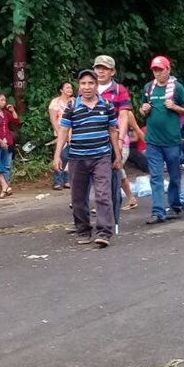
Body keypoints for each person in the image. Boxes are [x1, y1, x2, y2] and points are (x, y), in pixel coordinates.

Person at [53, 69, 122, 247]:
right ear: (79, 86)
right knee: (78, 197)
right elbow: (63, 131)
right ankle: (83, 230)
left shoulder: (106, 106)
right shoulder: (72, 107)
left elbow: (113, 131)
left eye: (91, 83)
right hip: (77, 158)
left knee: (102, 195)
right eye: (83, 83)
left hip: (102, 157)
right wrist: (58, 155)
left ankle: (104, 232)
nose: (87, 87)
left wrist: (118, 155)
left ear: (96, 85)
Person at [141, 55, 184, 224]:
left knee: (174, 176)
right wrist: (144, 110)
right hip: (153, 141)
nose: (157, 73)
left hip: (172, 140)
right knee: (155, 177)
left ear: (168, 70)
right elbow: (143, 109)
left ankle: (175, 205)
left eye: (160, 70)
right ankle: (158, 212)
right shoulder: (149, 88)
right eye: (155, 70)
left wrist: (175, 107)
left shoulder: (177, 88)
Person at [94, 55, 143, 211]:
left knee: (109, 170)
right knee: (115, 170)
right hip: (95, 138)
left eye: (105, 69)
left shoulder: (118, 90)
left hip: (116, 138)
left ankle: (105, 204)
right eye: (98, 68)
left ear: (112, 71)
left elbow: (124, 115)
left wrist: (120, 140)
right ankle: (129, 198)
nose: (100, 72)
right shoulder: (89, 88)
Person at [49, 81, 75, 189]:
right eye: (67, 87)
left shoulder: (74, 101)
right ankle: (58, 181)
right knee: (60, 156)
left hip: (73, 133)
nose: (70, 89)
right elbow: (53, 119)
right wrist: (60, 134)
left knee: (70, 157)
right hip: (61, 132)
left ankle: (67, 180)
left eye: (71, 88)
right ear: (61, 90)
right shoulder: (55, 102)